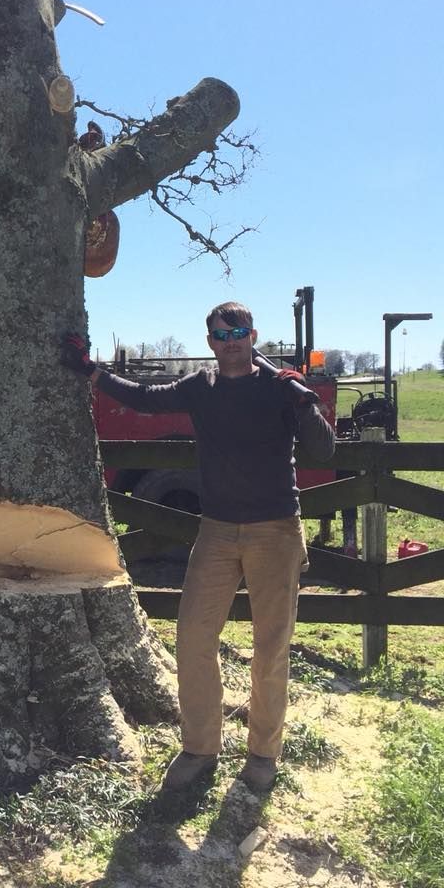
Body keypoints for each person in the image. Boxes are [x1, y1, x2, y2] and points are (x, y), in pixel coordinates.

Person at [61, 302, 335, 792]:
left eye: (240, 331)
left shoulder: (279, 389)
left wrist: (305, 400)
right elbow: (144, 397)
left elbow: (322, 451)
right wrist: (92, 371)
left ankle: (262, 754)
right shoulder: (201, 387)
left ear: (254, 336)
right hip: (217, 531)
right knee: (193, 636)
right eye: (221, 333)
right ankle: (200, 748)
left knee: (270, 648)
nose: (231, 339)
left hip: (275, 530)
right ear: (210, 342)